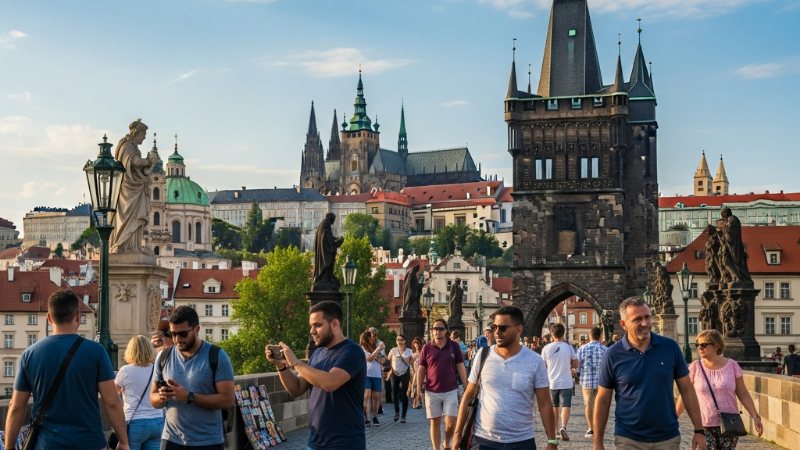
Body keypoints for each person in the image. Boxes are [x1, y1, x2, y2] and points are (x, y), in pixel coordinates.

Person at [4, 290, 130, 450]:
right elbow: (111, 402)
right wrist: (123, 442)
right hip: (89, 443)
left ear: (49, 318)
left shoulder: (30, 354)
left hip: (47, 444)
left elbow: (16, 407)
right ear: (78, 316)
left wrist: (8, 447)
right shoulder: (96, 351)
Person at [594, 296, 707, 450]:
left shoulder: (670, 347)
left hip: (667, 437)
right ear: (623, 324)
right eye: (637, 319)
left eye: (647, 317)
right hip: (628, 438)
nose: (645, 324)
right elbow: (603, 400)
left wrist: (699, 430)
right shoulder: (613, 354)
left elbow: (687, 389)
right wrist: (597, 444)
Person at [453, 306, 558, 450]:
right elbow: (468, 395)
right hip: (484, 440)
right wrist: (458, 434)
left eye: (502, 327)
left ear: (518, 329)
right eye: (494, 327)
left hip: (521, 442)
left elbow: (545, 404)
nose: (496, 332)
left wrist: (552, 441)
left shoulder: (535, 361)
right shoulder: (483, 355)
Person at [266, 301, 366, 450]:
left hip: (344, 442)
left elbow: (330, 383)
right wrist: (281, 366)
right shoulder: (318, 354)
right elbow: (297, 388)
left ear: (335, 324)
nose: (312, 331)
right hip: (316, 442)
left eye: (317, 325)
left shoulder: (352, 351)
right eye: (311, 326)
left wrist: (295, 362)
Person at [150, 305, 235, 450]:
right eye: (173, 334)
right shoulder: (163, 356)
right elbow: (153, 398)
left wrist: (189, 396)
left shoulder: (216, 356)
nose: (177, 339)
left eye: (183, 334)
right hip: (171, 439)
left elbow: (228, 400)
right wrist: (162, 397)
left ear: (196, 330)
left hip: (207, 442)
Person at [676, 330, 762, 450]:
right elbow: (685, 395)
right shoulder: (695, 367)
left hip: (729, 423)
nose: (699, 348)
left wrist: (755, 416)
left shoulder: (732, 366)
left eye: (703, 345)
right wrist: (674, 418)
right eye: (697, 345)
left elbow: (742, 393)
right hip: (704, 424)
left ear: (716, 345)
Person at [416, 318, 468, 450]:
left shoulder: (454, 346)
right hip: (431, 390)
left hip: (450, 389)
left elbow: (460, 366)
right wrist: (417, 389)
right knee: (435, 422)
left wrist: (467, 386)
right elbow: (421, 368)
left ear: (446, 331)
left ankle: (446, 442)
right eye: (434, 329)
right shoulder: (427, 347)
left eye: (440, 329)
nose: (437, 331)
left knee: (451, 423)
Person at [115, 335, 165, 450]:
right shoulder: (157, 369)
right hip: (157, 420)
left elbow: (113, 395)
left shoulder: (125, 371)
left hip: (135, 422)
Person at [541, 322, 578, 441]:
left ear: (552, 334)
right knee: (566, 405)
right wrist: (570, 366)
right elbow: (576, 363)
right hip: (566, 381)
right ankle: (564, 427)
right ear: (563, 334)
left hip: (552, 382)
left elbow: (543, 365)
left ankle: (556, 430)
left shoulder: (546, 348)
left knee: (554, 406)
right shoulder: (568, 347)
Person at [576, 326, 607, 439]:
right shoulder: (605, 350)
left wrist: (578, 375)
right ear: (600, 337)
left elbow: (577, 366)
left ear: (590, 336)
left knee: (589, 405)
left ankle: (590, 429)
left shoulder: (582, 349)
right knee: (601, 405)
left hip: (587, 381)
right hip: (602, 382)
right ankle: (599, 428)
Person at [360, 330, 384, 427]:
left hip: (377, 374)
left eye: (375, 335)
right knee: (367, 396)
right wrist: (378, 350)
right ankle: (367, 419)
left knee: (376, 397)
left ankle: (375, 417)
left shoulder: (377, 345)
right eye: (372, 336)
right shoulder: (362, 347)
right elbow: (369, 358)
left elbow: (382, 360)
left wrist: (375, 355)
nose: (374, 337)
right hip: (366, 373)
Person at [389, 334, 414, 423]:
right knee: (395, 393)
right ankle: (397, 412)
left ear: (405, 341)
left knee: (404, 394)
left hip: (405, 373)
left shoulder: (409, 351)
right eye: (398, 339)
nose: (400, 341)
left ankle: (403, 416)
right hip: (394, 373)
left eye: (402, 340)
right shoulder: (393, 350)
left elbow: (412, 362)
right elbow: (388, 360)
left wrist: (409, 360)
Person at [409, 337, 424, 409]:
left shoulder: (423, 353)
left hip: (423, 373)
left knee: (422, 387)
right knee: (415, 387)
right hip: (415, 373)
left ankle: (420, 401)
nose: (417, 345)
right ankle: (416, 402)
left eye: (418, 343)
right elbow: (411, 365)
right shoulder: (413, 355)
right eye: (415, 343)